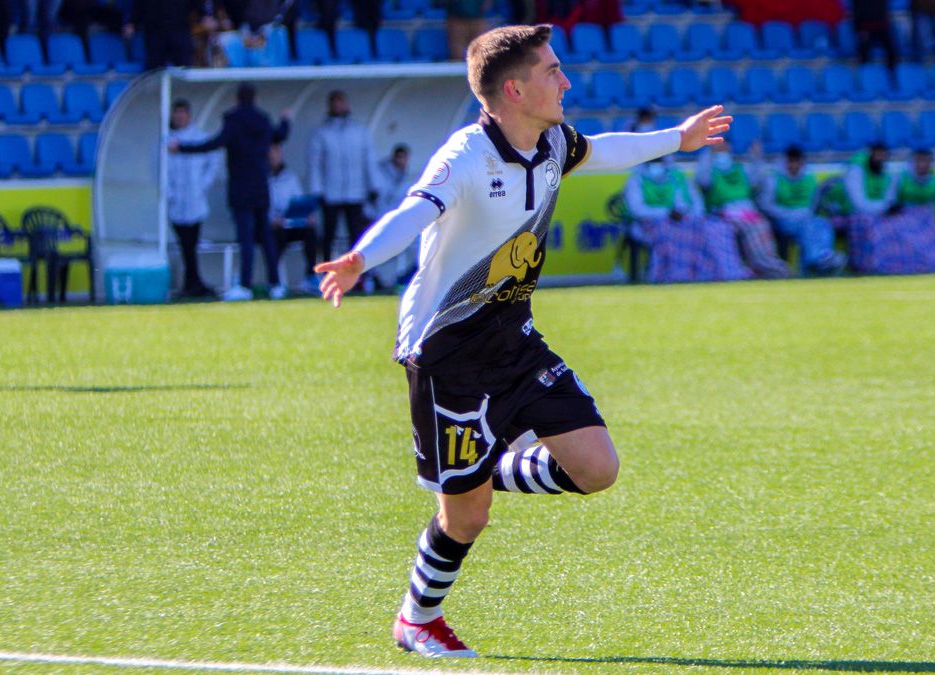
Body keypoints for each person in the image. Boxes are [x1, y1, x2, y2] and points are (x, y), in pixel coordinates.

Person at [311, 24, 731, 657]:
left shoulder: (554, 141)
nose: (565, 81)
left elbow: (604, 150)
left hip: (514, 336)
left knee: (596, 469)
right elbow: (415, 212)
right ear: (514, 88)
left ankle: (486, 466)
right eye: (552, 71)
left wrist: (679, 138)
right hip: (446, 351)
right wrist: (360, 260)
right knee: (467, 517)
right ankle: (416, 619)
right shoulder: (465, 156)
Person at [170, 83, 291, 301]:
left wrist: (182, 148)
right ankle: (276, 284)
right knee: (266, 236)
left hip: (241, 188)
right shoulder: (262, 120)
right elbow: (280, 135)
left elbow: (214, 144)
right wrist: (285, 119)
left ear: (237, 99)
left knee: (245, 237)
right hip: (261, 187)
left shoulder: (233, 121)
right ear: (254, 99)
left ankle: (245, 285)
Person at [626, 154, 750, 283]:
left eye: (659, 160)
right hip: (650, 223)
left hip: (684, 220)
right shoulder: (636, 180)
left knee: (716, 228)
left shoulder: (677, 177)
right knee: (669, 232)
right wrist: (667, 213)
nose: (657, 165)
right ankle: (674, 276)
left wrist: (685, 213)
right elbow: (637, 209)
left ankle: (722, 273)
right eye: (653, 161)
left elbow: (695, 203)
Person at [308, 90, 381, 289]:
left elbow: (369, 160)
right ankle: (325, 274)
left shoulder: (359, 131)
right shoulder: (323, 133)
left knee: (356, 236)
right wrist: (318, 191)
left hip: (355, 193)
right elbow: (315, 165)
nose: (339, 106)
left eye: (342, 102)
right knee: (328, 236)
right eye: (336, 103)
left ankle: (359, 277)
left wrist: (373, 185)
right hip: (331, 194)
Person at [695, 140, 793, 278]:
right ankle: (736, 272)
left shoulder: (740, 169)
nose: (722, 153)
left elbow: (757, 181)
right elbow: (701, 180)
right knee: (724, 232)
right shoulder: (710, 171)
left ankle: (771, 267)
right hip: (722, 214)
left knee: (761, 235)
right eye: (718, 149)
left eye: (724, 149)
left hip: (748, 214)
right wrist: (708, 154)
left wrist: (756, 157)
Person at [844, 143, 935, 275]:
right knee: (881, 228)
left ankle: (920, 263)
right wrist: (885, 209)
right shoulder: (857, 171)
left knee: (914, 226)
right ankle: (876, 264)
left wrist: (889, 208)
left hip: (894, 214)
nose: (880, 158)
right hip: (865, 213)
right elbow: (860, 202)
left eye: (883, 155)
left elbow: (890, 198)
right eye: (877, 155)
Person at [756, 145, 846, 276]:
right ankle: (819, 259)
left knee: (822, 223)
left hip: (804, 218)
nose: (794, 165)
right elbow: (765, 205)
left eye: (796, 161)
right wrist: (788, 213)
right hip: (782, 220)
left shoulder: (809, 180)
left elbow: (812, 205)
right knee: (808, 226)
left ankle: (819, 259)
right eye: (791, 161)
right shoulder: (774, 179)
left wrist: (803, 213)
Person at [167, 99, 221, 298]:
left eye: (183, 113)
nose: (180, 117)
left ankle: (192, 283)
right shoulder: (166, 140)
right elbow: (159, 170)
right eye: (176, 113)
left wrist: (202, 185)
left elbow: (213, 164)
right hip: (176, 202)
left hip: (196, 201)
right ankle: (193, 283)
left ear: (189, 115)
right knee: (185, 245)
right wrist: (169, 193)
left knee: (191, 244)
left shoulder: (200, 137)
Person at [268, 142, 322, 294]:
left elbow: (298, 200)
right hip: (273, 227)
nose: (272, 157)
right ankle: (274, 281)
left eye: (276, 153)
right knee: (275, 238)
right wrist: (272, 219)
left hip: (292, 224)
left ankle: (310, 276)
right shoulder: (261, 179)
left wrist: (306, 216)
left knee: (311, 232)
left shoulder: (290, 177)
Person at [371, 144, 420, 287]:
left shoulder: (407, 178)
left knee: (417, 245)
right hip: (380, 221)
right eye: (400, 157)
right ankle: (375, 280)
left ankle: (403, 279)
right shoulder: (380, 175)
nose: (402, 161)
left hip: (400, 221)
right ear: (393, 157)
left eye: (405, 158)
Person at [125, 0, 216, 69]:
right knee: (155, 69)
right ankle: (154, 93)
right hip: (155, 33)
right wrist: (132, 22)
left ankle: (184, 92)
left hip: (180, 31)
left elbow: (195, 2)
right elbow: (139, 4)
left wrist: (204, 16)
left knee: (184, 68)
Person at [851, 0, 898, 72]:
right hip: (865, 27)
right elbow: (856, 11)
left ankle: (891, 73)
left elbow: (884, 9)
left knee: (892, 51)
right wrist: (859, 29)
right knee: (863, 53)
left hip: (881, 26)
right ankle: (866, 74)